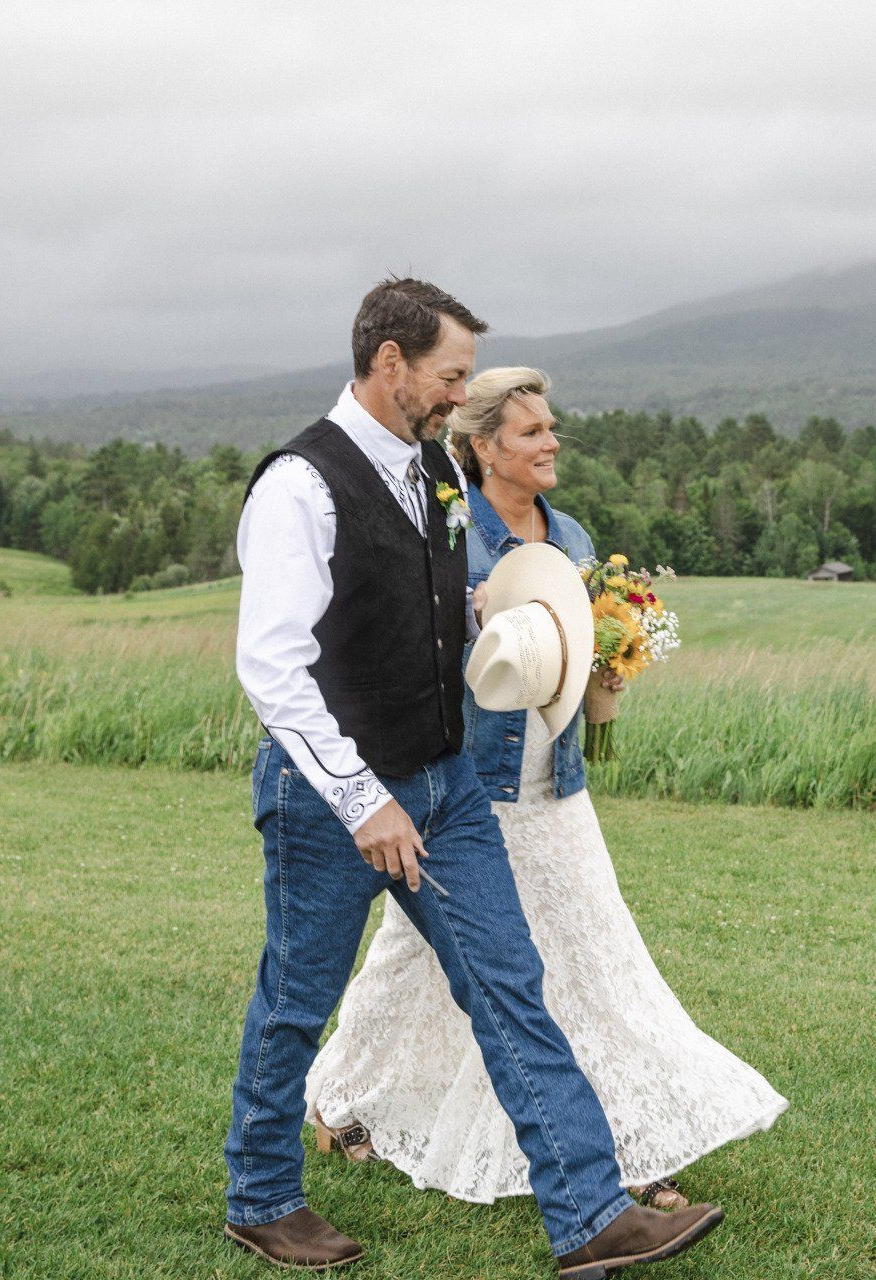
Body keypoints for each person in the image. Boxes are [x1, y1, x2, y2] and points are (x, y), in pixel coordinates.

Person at [224, 280, 722, 1276]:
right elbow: (271, 665)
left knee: (511, 984)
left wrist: (519, 616)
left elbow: (440, 605)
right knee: (297, 994)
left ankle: (589, 1214)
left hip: (449, 786)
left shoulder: (431, 476)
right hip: (335, 799)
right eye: (449, 375)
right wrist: (364, 801)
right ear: (389, 360)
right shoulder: (302, 485)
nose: (458, 394)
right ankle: (263, 1196)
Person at [305, 367, 787, 1208]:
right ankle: (336, 1096)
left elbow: (588, 659)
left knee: (591, 960)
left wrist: (615, 670)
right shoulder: (452, 532)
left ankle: (628, 1146)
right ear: (484, 447)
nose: (552, 442)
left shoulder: (571, 535)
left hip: (556, 785)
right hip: (467, 783)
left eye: (552, 428)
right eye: (531, 432)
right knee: (412, 955)